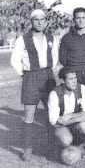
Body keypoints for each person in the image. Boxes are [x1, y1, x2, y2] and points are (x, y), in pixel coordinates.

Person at [10, 9, 58, 161]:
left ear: (45, 21)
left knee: (52, 111)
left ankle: (52, 146)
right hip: (31, 76)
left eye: (42, 19)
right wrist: (26, 74)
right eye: (36, 19)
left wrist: (48, 70)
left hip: (48, 75)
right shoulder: (22, 39)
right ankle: (27, 147)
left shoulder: (51, 38)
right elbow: (15, 60)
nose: (39, 22)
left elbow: (55, 57)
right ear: (31, 22)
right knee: (29, 114)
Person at [48, 68, 85, 156]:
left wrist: (70, 115)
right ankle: (59, 146)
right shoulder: (54, 94)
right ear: (63, 80)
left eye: (75, 78)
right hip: (61, 126)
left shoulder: (82, 88)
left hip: (73, 122)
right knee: (65, 140)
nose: (74, 81)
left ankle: (77, 146)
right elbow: (54, 123)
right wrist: (78, 118)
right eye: (71, 79)